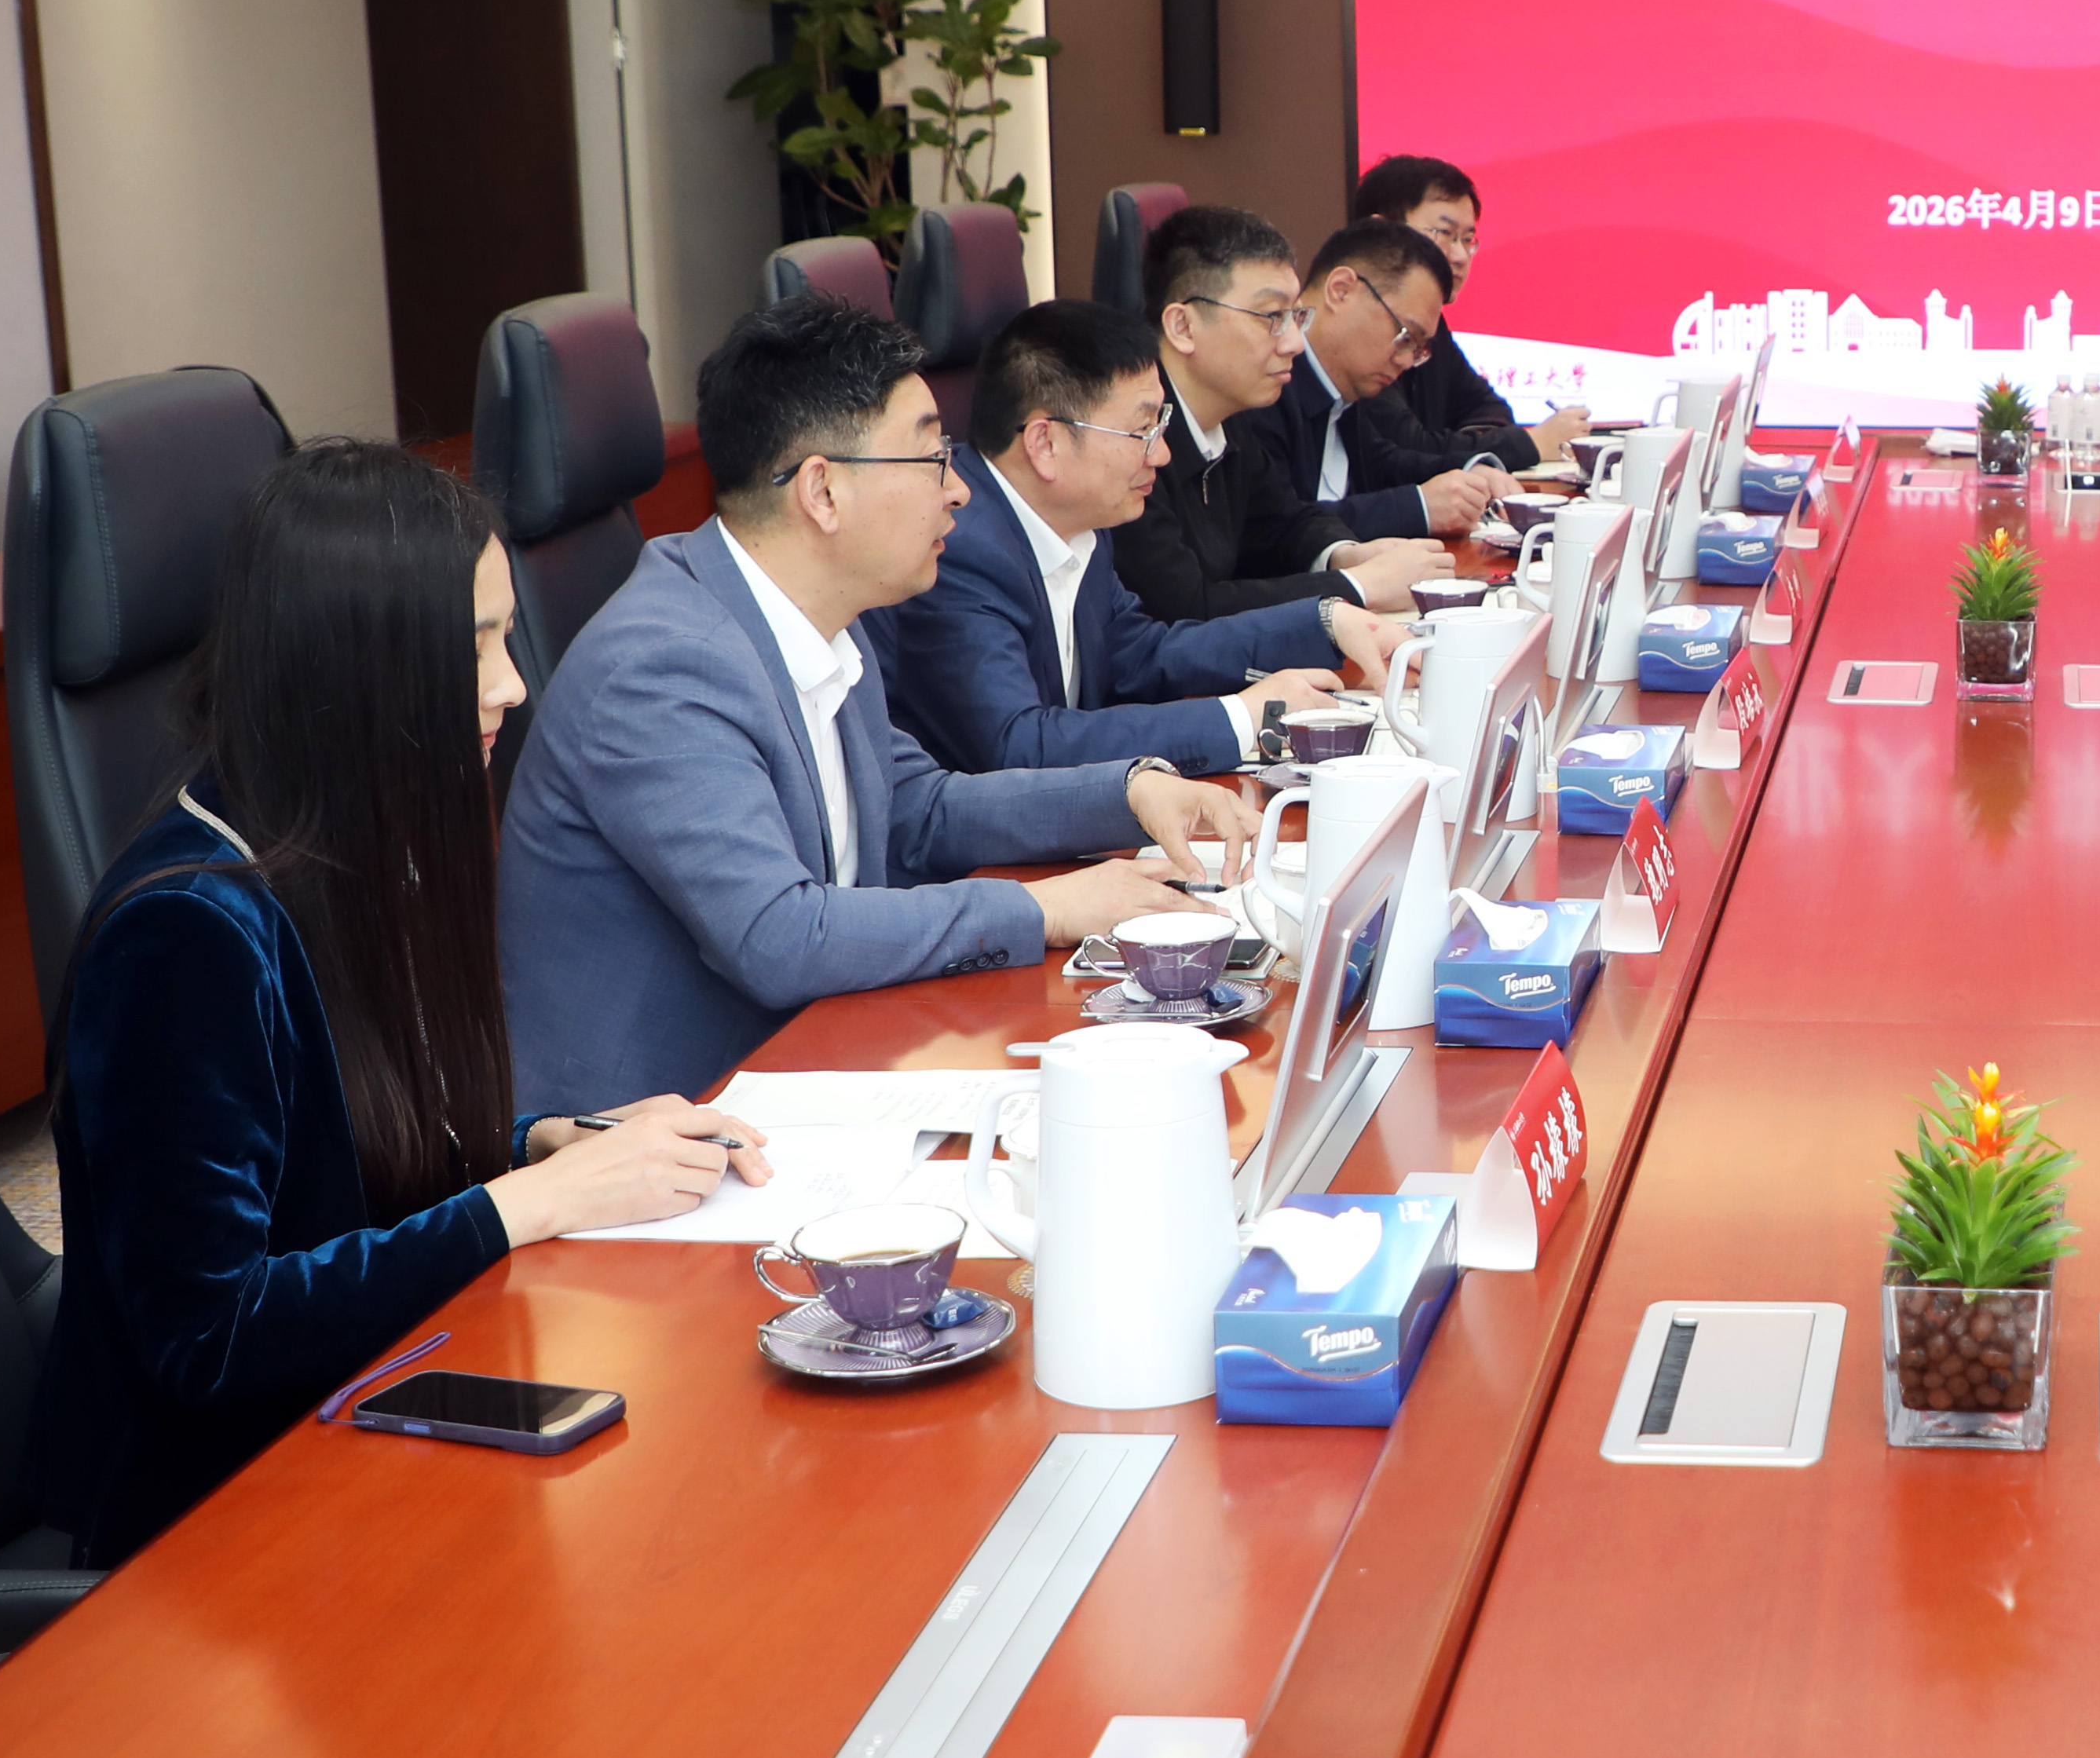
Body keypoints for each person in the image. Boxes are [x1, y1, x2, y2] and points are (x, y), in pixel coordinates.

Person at [35, 442, 770, 1563]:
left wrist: (538, 1145)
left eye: (505, 636)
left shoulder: (356, 843)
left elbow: (338, 1168)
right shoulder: (184, 932)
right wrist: (532, 1201)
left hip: (378, 1412)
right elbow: (209, 1336)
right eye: (475, 643)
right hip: (220, 1526)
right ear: (359, 663)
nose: (513, 683)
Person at [500, 294, 1251, 1110]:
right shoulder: (666, 663)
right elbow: (780, 936)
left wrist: (1129, 792)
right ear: (822, 493)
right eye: (931, 460)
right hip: (668, 1130)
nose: (959, 492)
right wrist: (1043, 908)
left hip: (808, 1064)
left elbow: (916, 808)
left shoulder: (819, 613)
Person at [869, 295, 1400, 777]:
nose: (1162, 454)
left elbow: (1144, 654)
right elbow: (1019, 746)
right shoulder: (956, 547)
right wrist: (1240, 718)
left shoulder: (1081, 526)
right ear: (1045, 444)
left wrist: (1325, 621)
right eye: (1142, 431)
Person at [1118, 207, 1467, 625]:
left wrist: (1347, 555)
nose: (1294, 344)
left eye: (1294, 317)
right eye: (1272, 318)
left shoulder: (1228, 416)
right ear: (1183, 327)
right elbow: (1186, 609)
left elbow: (1284, 521)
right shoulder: (1126, 440)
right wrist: (1358, 586)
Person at [1354, 153, 1590, 471]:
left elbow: (1491, 410)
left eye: (1467, 240)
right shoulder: (1359, 327)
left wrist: (1462, 447)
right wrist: (1529, 445)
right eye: (1444, 234)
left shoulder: (1433, 324)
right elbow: (1406, 449)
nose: (1460, 256)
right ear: (1381, 232)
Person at [1270, 221, 1517, 514]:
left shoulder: (1344, 390)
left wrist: (1472, 472)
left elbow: (1384, 464)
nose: (1406, 361)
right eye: (1405, 337)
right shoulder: (1267, 384)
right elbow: (1281, 526)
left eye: (1418, 348)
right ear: (1341, 290)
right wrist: (1420, 507)